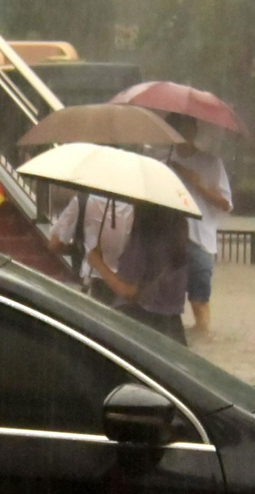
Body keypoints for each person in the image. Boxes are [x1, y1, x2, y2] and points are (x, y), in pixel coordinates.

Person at [165, 117, 231, 336]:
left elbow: (225, 204)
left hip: (200, 239)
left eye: (187, 128)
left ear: (194, 131)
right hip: (168, 239)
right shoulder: (163, 162)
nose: (183, 134)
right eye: (178, 129)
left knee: (199, 299)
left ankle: (203, 337)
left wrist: (197, 183)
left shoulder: (211, 163)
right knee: (164, 300)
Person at [88, 203, 191, 344]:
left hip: (141, 326)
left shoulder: (143, 238)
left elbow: (127, 291)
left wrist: (98, 263)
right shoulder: (181, 237)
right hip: (173, 328)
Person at [45, 191, 133, 287]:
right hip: (125, 281)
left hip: (90, 279)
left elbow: (53, 245)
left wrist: (77, 249)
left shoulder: (82, 200)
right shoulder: (135, 207)